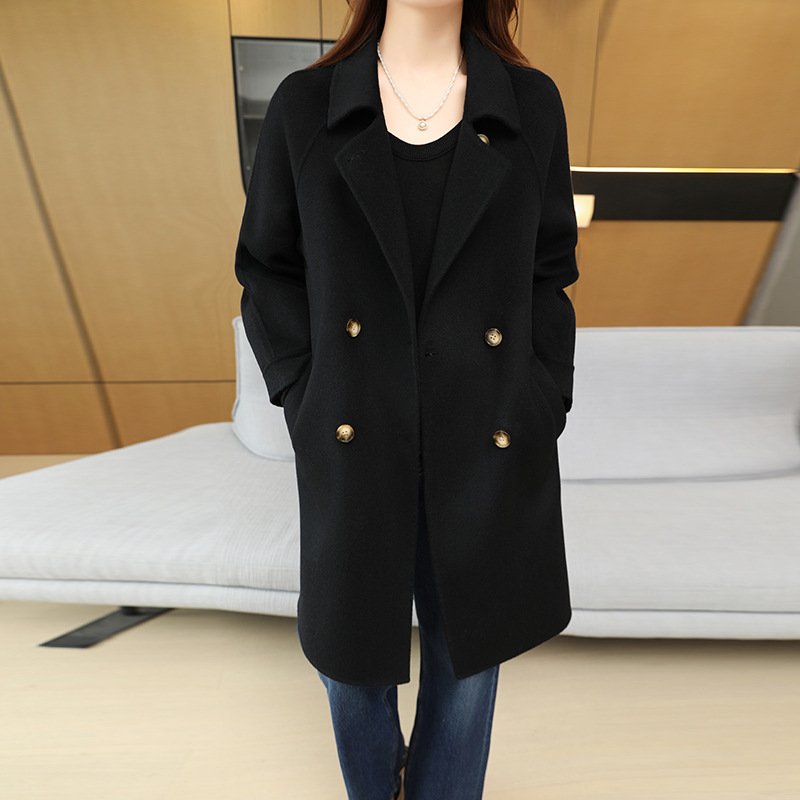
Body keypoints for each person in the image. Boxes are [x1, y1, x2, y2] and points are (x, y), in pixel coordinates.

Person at [234, 2, 579, 798]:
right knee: (349, 656)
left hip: (488, 428)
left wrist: (542, 392)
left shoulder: (529, 104)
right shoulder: (305, 105)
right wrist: (304, 391)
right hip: (355, 427)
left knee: (470, 657)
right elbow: (267, 269)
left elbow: (549, 267)